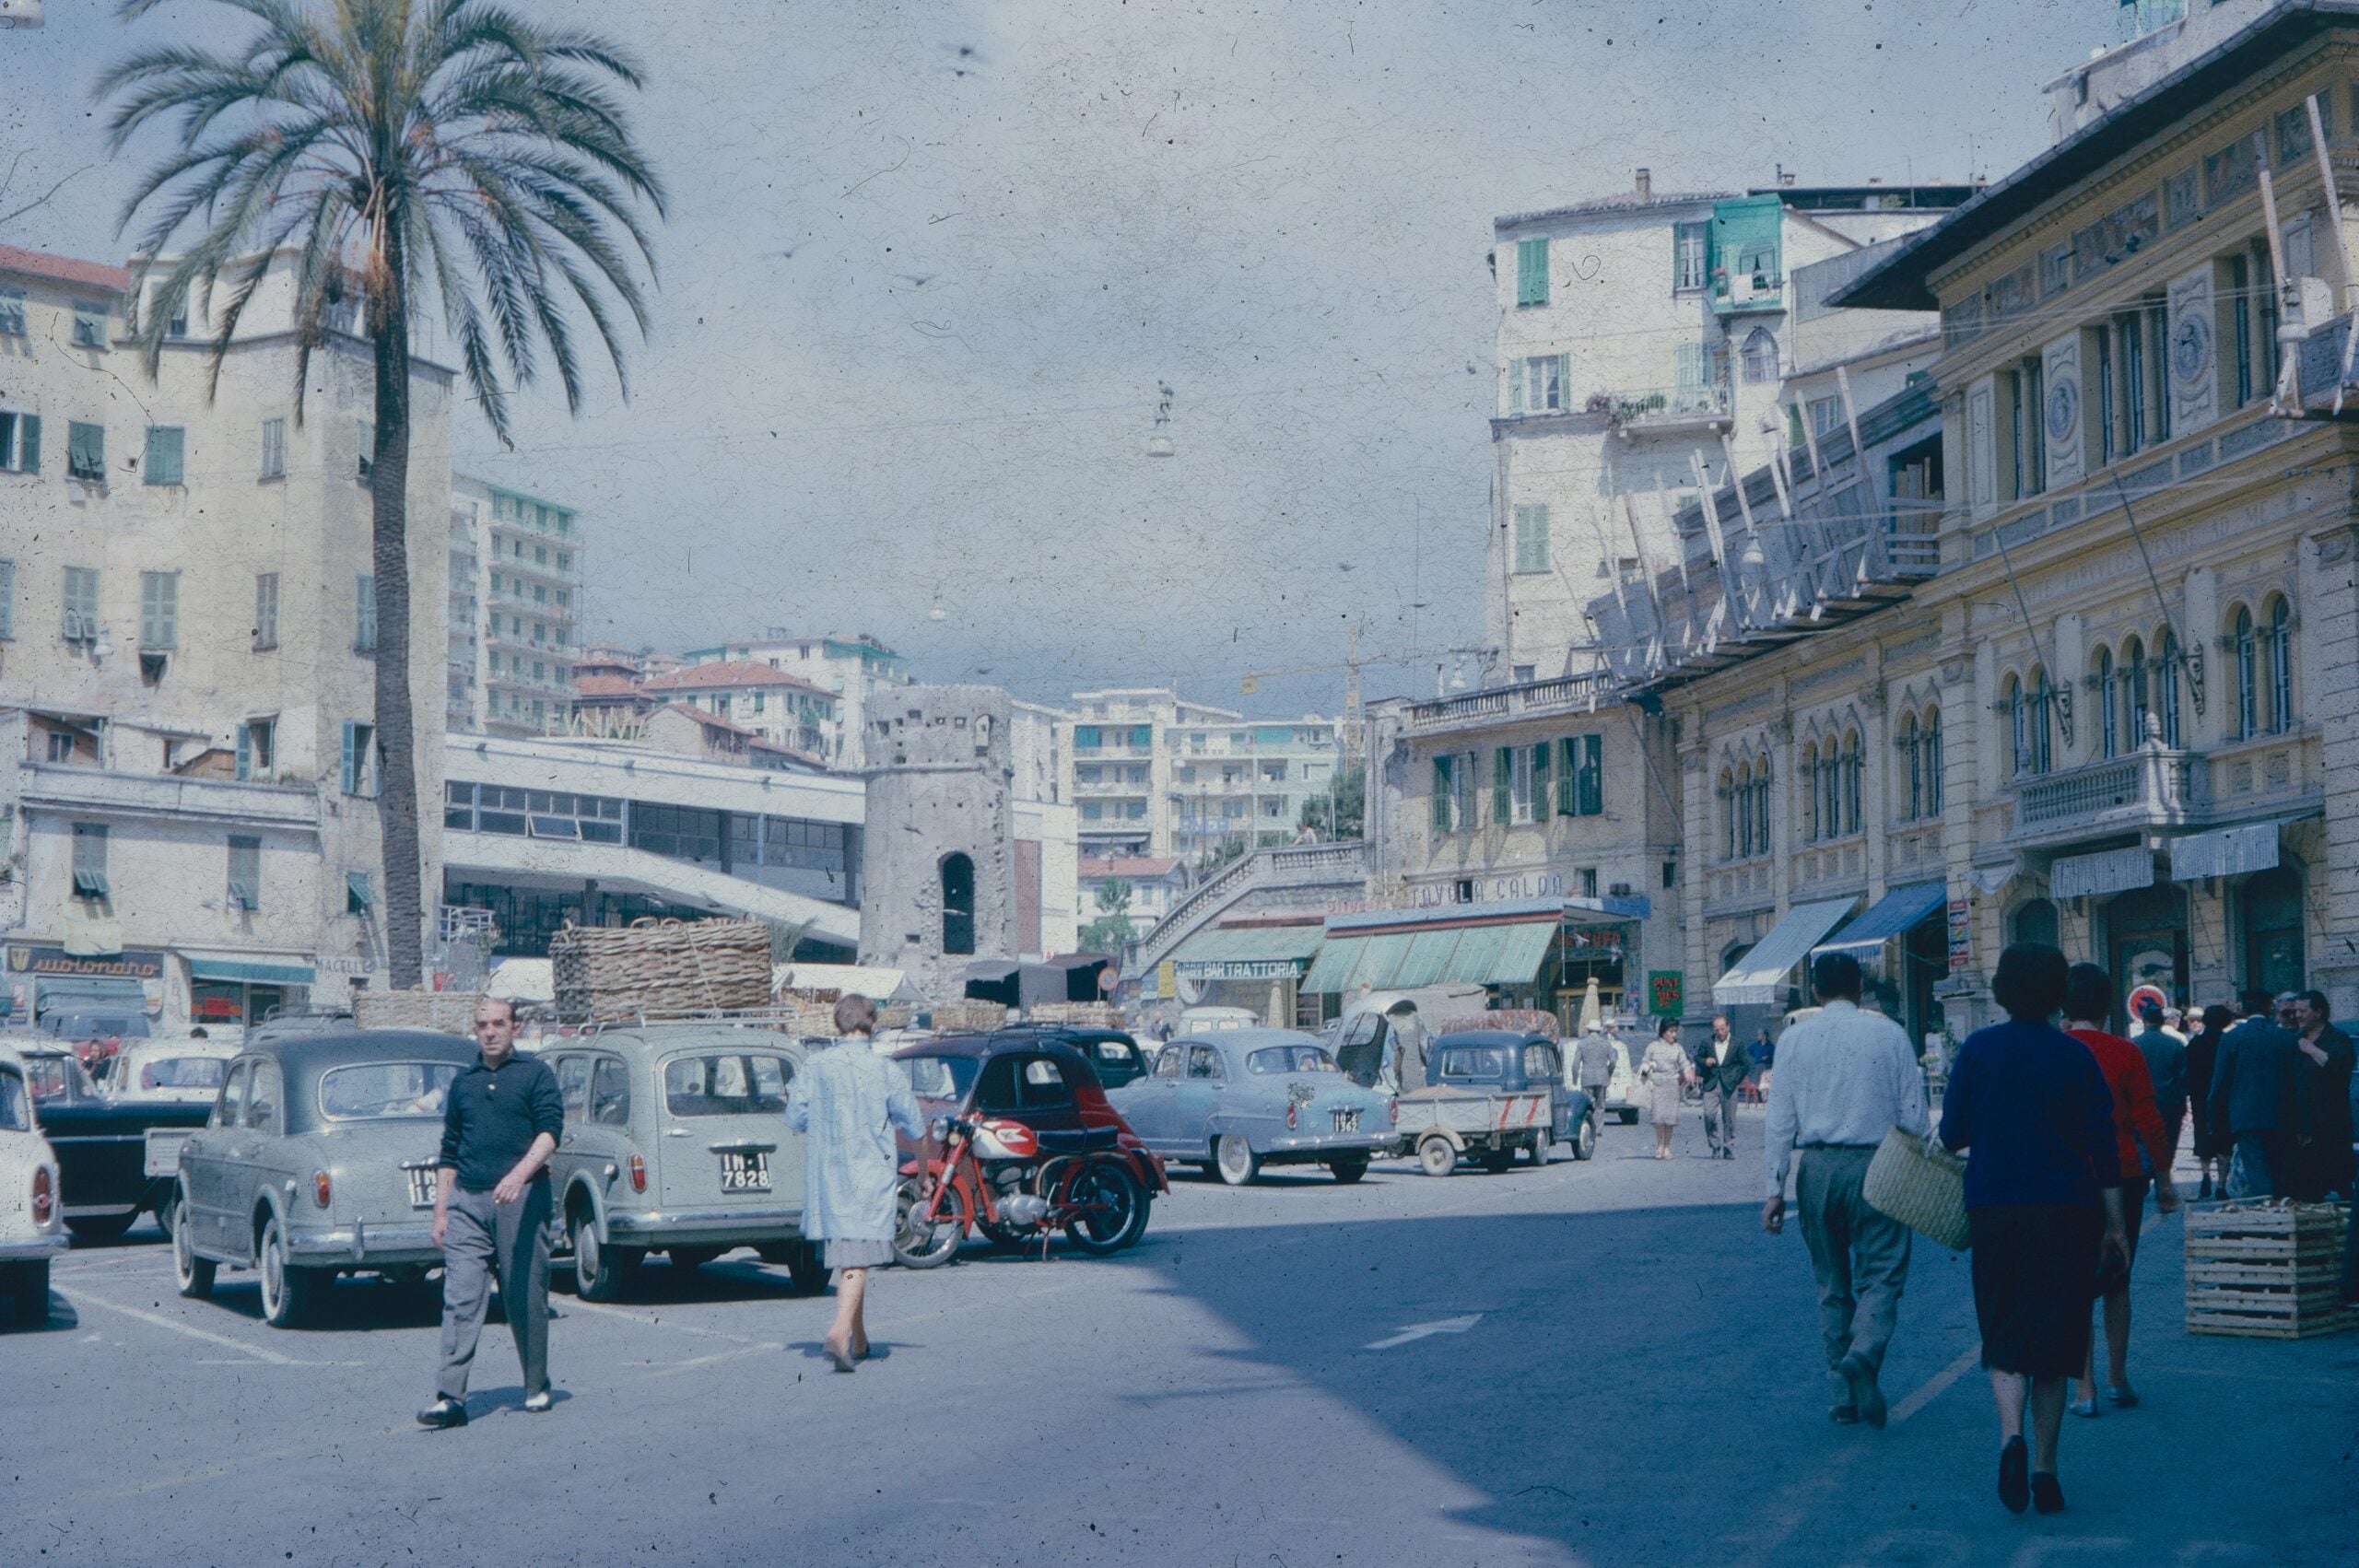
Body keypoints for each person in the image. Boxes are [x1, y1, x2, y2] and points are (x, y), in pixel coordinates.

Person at [1939, 944, 2128, 1516]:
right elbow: (2104, 1148)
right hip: (2069, 1212)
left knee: (2005, 1330)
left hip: (1995, 1208)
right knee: (2056, 1339)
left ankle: (2010, 1438)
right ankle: (2045, 1470)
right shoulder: (2076, 1057)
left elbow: (1950, 1134)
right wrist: (2115, 1226)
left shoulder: (1978, 1049)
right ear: (2057, 994)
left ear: (2001, 990)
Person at [1760, 952, 1928, 1428]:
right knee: (1883, 1272)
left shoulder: (1793, 1039)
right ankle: (1866, 1350)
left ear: (1814, 991)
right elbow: (1914, 1116)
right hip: (1878, 1164)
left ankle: (1842, 1394)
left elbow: (1779, 1122)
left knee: (1831, 1282)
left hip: (1816, 1167)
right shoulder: (1890, 1033)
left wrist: (1774, 1188)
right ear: (1860, 988)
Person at [418, 995, 564, 1429]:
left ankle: (535, 1383)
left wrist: (519, 1175)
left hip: (523, 1199)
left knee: (525, 1297)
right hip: (468, 1200)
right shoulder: (464, 1083)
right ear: (475, 1030)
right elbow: (449, 1151)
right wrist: (441, 1211)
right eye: (483, 1025)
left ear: (514, 1027)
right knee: (460, 1297)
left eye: (499, 1023)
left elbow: (550, 1132)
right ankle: (450, 1397)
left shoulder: (535, 1074)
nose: (490, 1031)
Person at [2060, 965, 2180, 1418]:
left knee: (2075, 1283)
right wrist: (2165, 1180)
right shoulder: (2126, 1052)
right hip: (2125, 1174)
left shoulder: (2056, 1050)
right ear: (2109, 1006)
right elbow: (2149, 1120)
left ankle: (2084, 1389)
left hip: (2068, 1180)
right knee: (2117, 1278)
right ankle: (2117, 1378)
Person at [784, 994, 925, 1372]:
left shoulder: (816, 1067)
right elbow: (914, 1126)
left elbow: (795, 1118)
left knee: (853, 1257)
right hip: (869, 1177)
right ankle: (839, 1329)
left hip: (830, 1179)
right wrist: (924, 1175)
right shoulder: (885, 1070)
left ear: (837, 1024)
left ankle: (859, 1339)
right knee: (857, 1259)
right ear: (872, 1023)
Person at [2208, 989, 2301, 1199]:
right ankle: (2280, 1207)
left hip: (2245, 1115)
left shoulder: (2232, 1038)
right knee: (2279, 1166)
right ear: (2270, 1008)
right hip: (2280, 1114)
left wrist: (2213, 1119)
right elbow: (2296, 1081)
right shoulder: (2284, 1037)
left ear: (2243, 1009)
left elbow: (2219, 1083)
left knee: (2256, 1167)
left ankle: (2266, 1213)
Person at [2291, 990, 2354, 1201]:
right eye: (2296, 1010)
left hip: (2331, 1119)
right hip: (2304, 1120)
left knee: (2340, 1178)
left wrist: (2310, 1049)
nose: (2297, 1015)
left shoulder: (2337, 1039)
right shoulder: (2295, 1039)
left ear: (2318, 1012)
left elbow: (2337, 1066)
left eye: (2303, 1010)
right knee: (2308, 1182)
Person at [2127, 993, 2189, 1182]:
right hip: (2170, 1103)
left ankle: (2145, 1177)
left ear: (2144, 1021)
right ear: (2162, 1022)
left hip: (2141, 1103)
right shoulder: (2175, 1044)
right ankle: (2163, 1177)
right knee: (2168, 1143)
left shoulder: (2134, 1044)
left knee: (2142, 1142)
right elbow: (2184, 1078)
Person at [2185, 1003, 2234, 1199]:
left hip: (2201, 1099)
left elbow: (2187, 1072)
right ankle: (2221, 1184)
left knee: (2203, 1138)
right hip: (2224, 1099)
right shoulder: (2228, 1042)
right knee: (2224, 1143)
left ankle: (2206, 1174)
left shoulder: (2195, 1044)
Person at [1695, 1014, 1751, 1161]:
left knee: (1729, 1119)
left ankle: (1728, 1148)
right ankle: (1715, 1145)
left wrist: (1735, 1079)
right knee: (1709, 1115)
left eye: (1722, 1029)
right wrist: (1705, 1060)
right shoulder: (1707, 1042)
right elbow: (1698, 1058)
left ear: (1728, 1027)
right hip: (1711, 1084)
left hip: (1729, 1085)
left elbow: (1746, 1064)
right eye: (1717, 1030)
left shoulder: (1737, 1044)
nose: (1719, 1032)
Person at [1640, 1021, 1688, 1160]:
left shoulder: (1678, 1048)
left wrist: (1687, 1070)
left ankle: (1667, 1147)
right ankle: (1659, 1144)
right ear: (1663, 1032)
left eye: (1675, 1031)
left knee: (1670, 1118)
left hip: (1672, 1085)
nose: (1674, 1034)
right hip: (1656, 1085)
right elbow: (1644, 1062)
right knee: (1658, 1117)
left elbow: (1684, 1063)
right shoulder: (1653, 1047)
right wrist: (1648, 1065)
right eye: (1671, 1031)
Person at [1572, 1024, 1615, 1117]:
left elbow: (1575, 1063)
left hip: (1587, 1078)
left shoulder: (1582, 1043)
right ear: (1599, 1032)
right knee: (1600, 1106)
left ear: (1588, 1031)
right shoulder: (1606, 1043)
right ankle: (1598, 1129)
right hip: (1602, 1077)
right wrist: (1608, 1073)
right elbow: (1613, 1061)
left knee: (1586, 1104)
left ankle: (1589, 1124)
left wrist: (1574, 1080)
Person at [1387, 1001, 1430, 1094]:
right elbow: (1425, 1047)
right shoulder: (1416, 1017)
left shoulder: (1389, 1020)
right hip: (1416, 1070)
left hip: (1396, 1073)